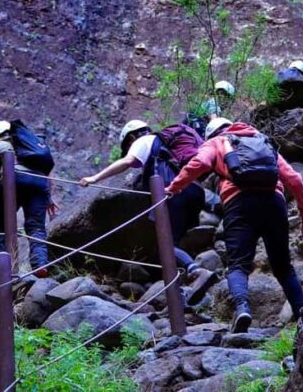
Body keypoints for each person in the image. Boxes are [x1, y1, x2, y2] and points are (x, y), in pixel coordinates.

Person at [165, 118, 303, 333]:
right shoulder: (261, 141)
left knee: (238, 265)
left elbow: (199, 164)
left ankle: (243, 309)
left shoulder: (217, 142)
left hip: (239, 203)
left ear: (212, 133)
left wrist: (173, 187)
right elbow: (295, 179)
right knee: (283, 267)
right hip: (274, 202)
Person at [79, 120, 217, 305]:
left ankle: (196, 271)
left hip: (173, 192)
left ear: (132, 136)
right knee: (172, 245)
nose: (129, 148)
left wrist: (95, 178)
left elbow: (128, 161)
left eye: (128, 145)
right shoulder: (167, 149)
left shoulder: (145, 140)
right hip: (195, 191)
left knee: (165, 246)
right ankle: (183, 297)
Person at [0, 120, 58, 276]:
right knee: (36, 227)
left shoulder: (3, 143)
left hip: (16, 179)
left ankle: (5, 266)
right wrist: (49, 196)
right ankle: (40, 265)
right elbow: (48, 173)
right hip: (40, 182)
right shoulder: (31, 144)